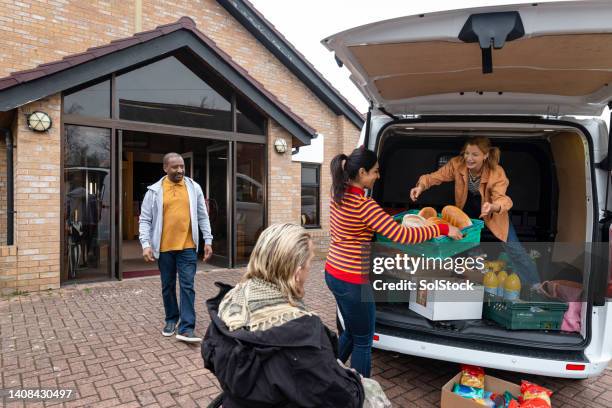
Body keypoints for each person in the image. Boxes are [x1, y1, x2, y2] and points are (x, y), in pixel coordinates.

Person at [325, 146, 463, 378]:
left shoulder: (338, 195)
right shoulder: (365, 206)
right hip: (352, 281)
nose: (378, 176)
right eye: (375, 172)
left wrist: (387, 218)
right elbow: (404, 236)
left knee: (351, 330)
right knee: (363, 341)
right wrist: (442, 227)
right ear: (361, 172)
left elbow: (368, 225)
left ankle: (327, 372)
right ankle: (363, 396)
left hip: (333, 272)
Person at [202, 223, 373, 407]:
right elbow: (344, 398)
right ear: (297, 272)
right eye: (310, 263)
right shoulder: (303, 334)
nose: (310, 270)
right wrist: (356, 381)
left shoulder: (231, 302)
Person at [409, 136, 539, 284]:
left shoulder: (496, 172)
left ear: (485, 155)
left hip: (493, 212)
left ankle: (536, 286)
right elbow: (434, 177)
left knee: (515, 249)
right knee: (458, 246)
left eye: (475, 155)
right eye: (467, 153)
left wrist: (492, 206)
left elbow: (503, 199)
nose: (469, 158)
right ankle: (457, 281)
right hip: (466, 210)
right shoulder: (457, 164)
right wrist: (420, 187)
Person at [139, 152, 213, 343]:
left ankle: (187, 327)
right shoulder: (154, 191)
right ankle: (171, 319)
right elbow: (145, 220)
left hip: (188, 247)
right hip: (164, 248)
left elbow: (202, 216)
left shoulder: (193, 187)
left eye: (182, 166)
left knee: (187, 286)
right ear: (165, 168)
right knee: (168, 286)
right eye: (175, 167)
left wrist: (208, 240)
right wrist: (146, 245)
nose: (180, 170)